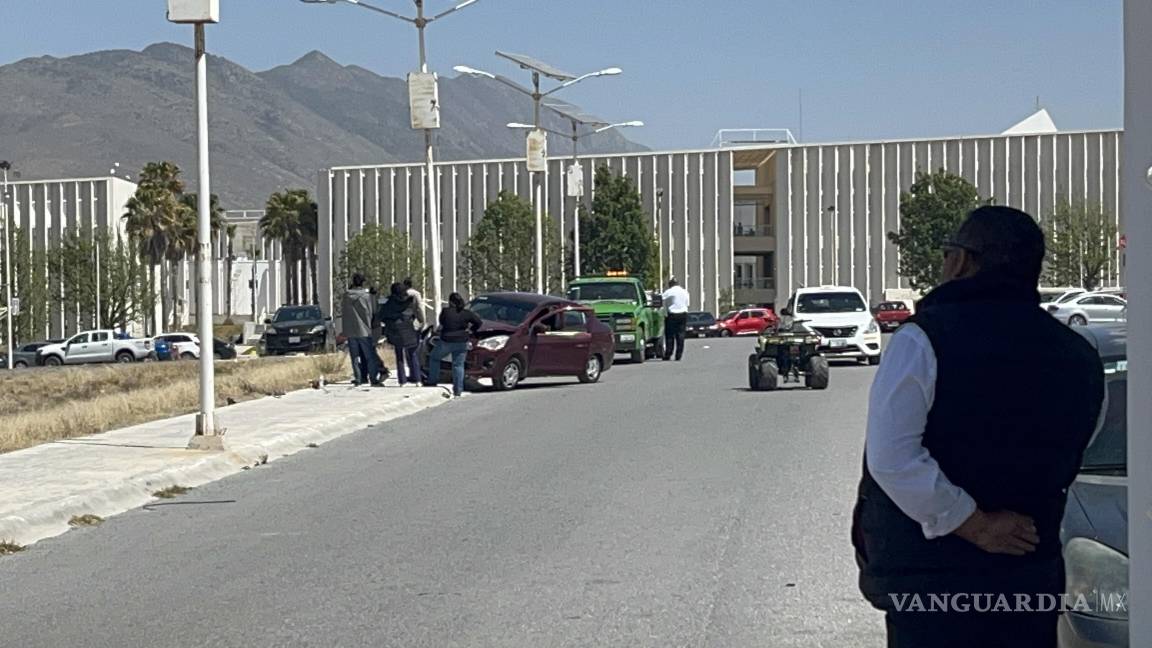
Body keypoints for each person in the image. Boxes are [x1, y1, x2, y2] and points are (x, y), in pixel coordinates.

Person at [851, 206, 1105, 648]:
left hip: (933, 582)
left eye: (949, 253)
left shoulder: (923, 338)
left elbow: (892, 457)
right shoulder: (1077, 353)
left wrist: (974, 523)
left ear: (964, 261)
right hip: (1028, 573)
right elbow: (1076, 448)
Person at [424, 292, 481, 398]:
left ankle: (433, 380)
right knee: (458, 365)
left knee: (434, 358)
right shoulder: (466, 313)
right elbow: (478, 322)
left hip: (447, 341)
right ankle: (458, 390)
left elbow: (442, 322)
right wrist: (470, 330)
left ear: (450, 302)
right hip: (462, 341)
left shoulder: (446, 312)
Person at [340, 273, 381, 387]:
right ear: (363, 282)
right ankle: (373, 378)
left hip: (351, 330)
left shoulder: (346, 296)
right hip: (364, 329)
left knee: (354, 356)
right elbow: (373, 311)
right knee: (369, 356)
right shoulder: (366, 296)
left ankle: (358, 378)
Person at [378, 282, 421, 386]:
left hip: (395, 331)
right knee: (413, 354)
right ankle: (417, 379)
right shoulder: (410, 301)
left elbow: (382, 316)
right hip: (409, 329)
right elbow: (416, 313)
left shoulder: (390, 303)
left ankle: (402, 381)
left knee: (399, 356)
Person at [661, 278, 690, 361]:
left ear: (670, 284)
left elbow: (661, 299)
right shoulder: (685, 291)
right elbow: (687, 303)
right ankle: (678, 355)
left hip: (672, 315)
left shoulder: (669, 291)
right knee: (681, 335)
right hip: (683, 314)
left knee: (670, 335)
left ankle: (668, 353)